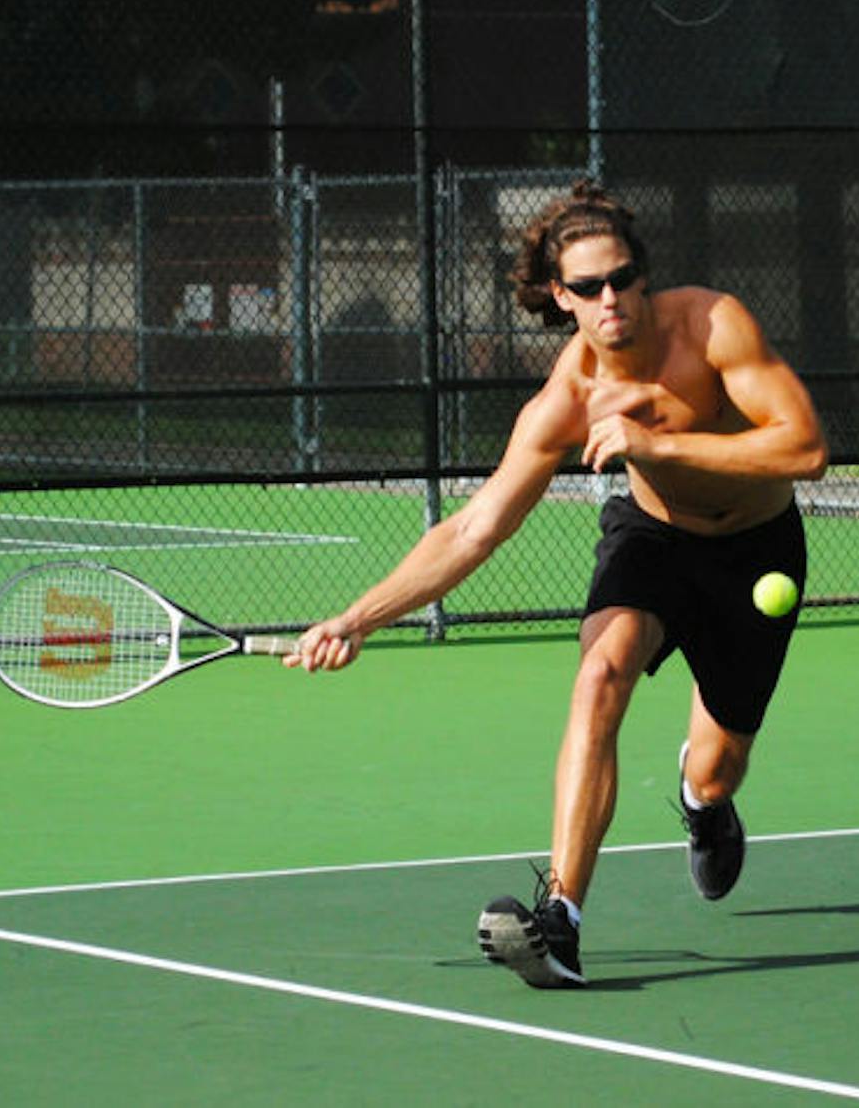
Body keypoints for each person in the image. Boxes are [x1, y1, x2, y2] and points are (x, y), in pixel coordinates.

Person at [283, 180, 827, 989]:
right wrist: (362, 616)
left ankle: (703, 800)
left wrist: (658, 442)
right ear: (557, 297)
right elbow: (475, 527)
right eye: (587, 286)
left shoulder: (712, 324)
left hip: (758, 553)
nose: (610, 298)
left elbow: (804, 448)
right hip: (653, 538)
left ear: (642, 275)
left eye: (622, 277)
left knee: (718, 767)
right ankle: (562, 920)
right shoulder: (564, 400)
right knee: (599, 672)